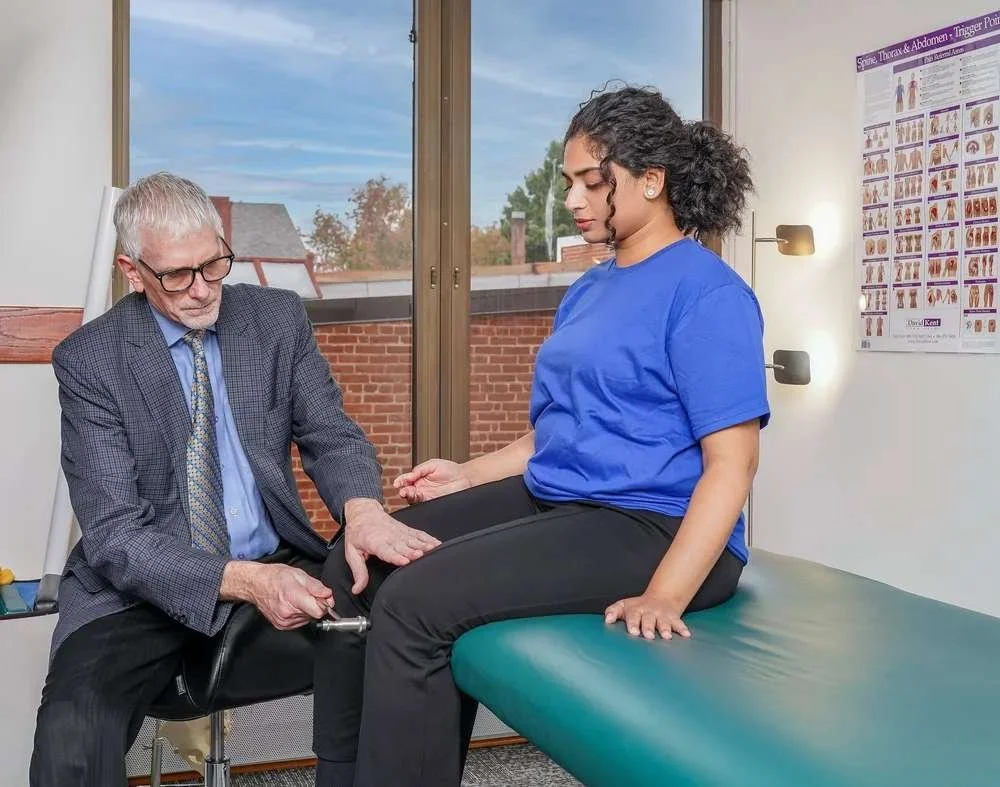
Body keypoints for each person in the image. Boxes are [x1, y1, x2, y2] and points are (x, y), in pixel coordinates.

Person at [312, 84, 769, 787]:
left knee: (414, 603)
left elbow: (731, 466)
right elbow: (550, 436)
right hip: (561, 499)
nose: (576, 200)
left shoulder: (707, 292)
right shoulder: (589, 288)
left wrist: (666, 594)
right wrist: (465, 474)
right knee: (354, 559)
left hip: (654, 524)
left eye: (595, 182)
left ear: (652, 181)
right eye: (571, 184)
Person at [29, 172, 439, 787]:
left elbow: (330, 434)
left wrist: (365, 510)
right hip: (139, 593)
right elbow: (116, 535)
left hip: (277, 559)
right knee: (71, 738)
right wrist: (244, 581)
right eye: (177, 275)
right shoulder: (91, 359)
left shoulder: (274, 319)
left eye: (213, 264)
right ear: (131, 270)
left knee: (408, 627)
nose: (201, 291)